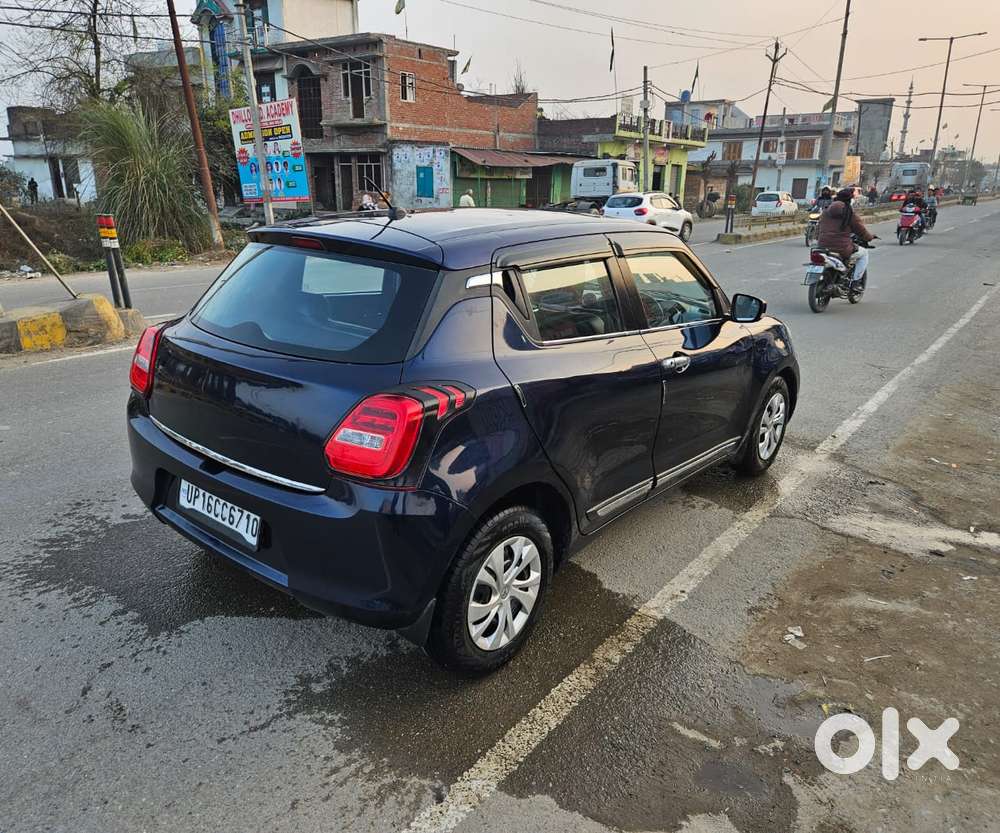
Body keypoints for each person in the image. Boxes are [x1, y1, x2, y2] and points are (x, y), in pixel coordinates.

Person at [817, 187, 875, 284]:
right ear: (849, 200)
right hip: (842, 248)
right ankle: (856, 281)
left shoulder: (825, 212)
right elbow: (861, 231)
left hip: (822, 246)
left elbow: (818, 229)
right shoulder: (849, 213)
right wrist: (870, 237)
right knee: (864, 253)